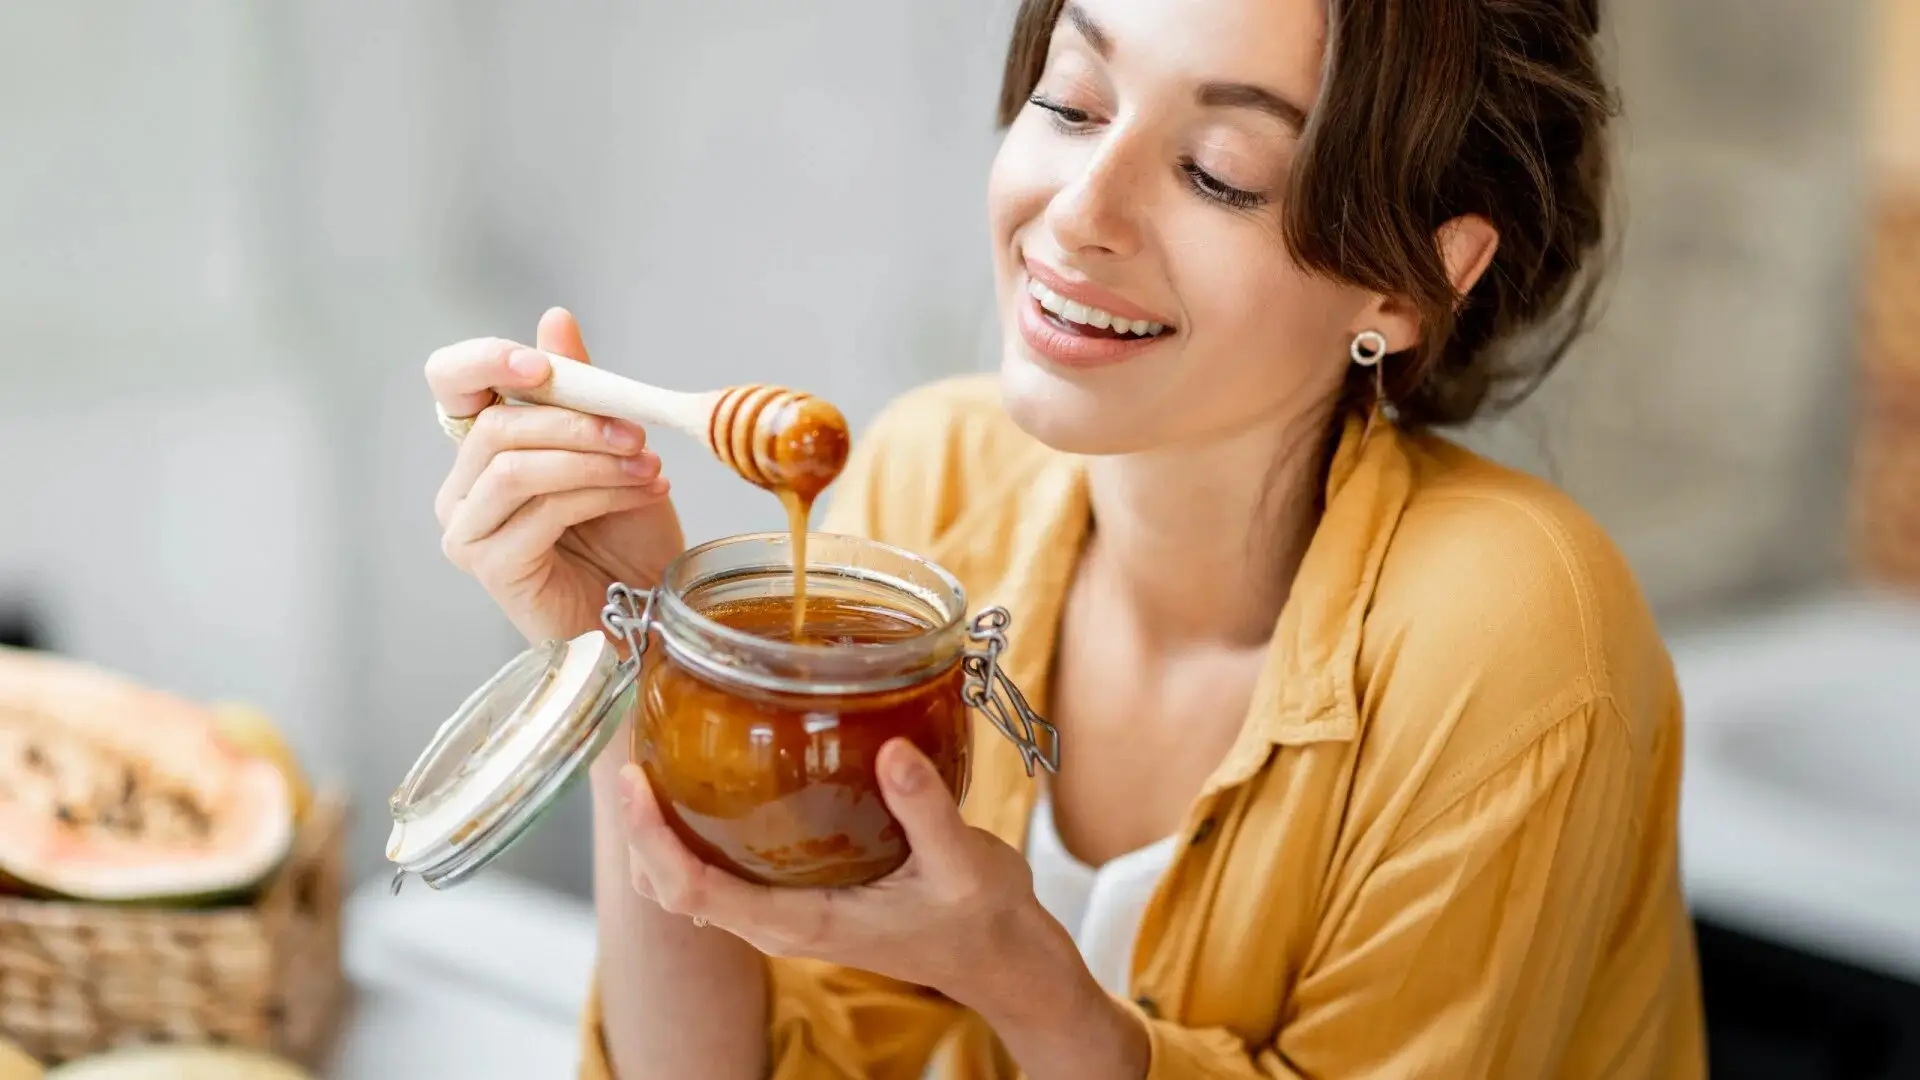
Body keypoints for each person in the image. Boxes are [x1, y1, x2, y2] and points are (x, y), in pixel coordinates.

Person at [423, 0, 1708, 1075]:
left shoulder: (1515, 637)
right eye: (1074, 102)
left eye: (1221, 174)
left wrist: (1034, 989)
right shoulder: (929, 489)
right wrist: (636, 652)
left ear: (1407, 283)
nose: (1081, 210)